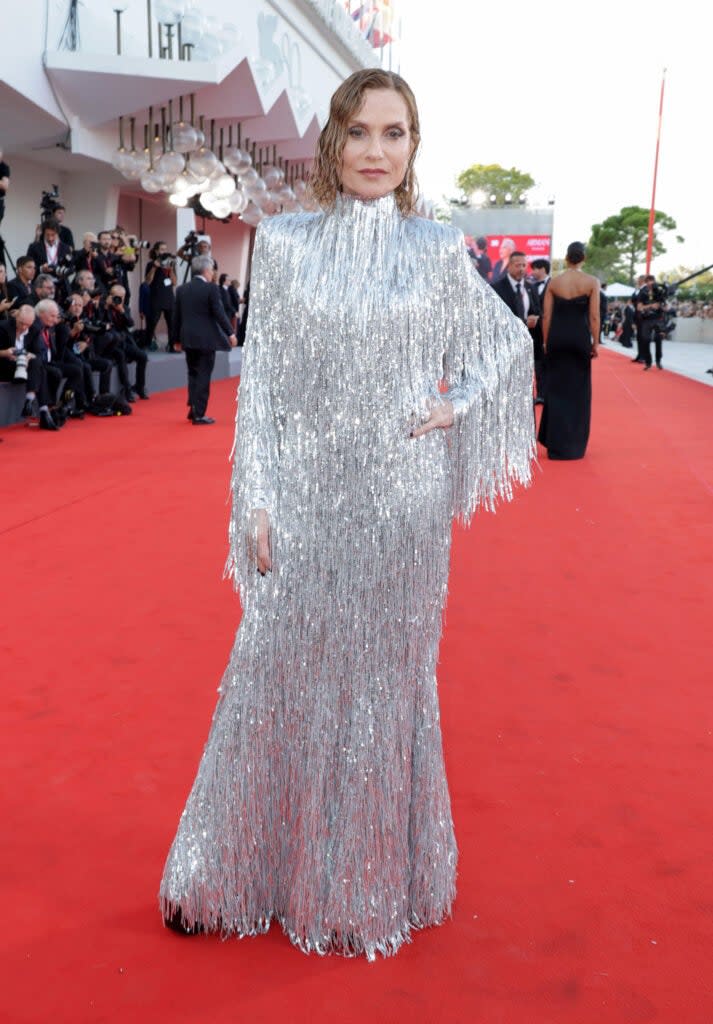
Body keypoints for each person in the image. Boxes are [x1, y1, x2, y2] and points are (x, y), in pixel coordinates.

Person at [158, 68, 535, 959]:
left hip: (404, 505)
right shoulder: (283, 245)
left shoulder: (438, 250)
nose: (375, 150)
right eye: (359, 132)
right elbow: (267, 391)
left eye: (394, 134)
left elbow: (507, 343)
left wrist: (457, 404)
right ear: (332, 143)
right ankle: (230, 872)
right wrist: (254, 495)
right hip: (306, 497)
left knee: (380, 690)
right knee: (271, 674)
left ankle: (360, 885)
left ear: (412, 147)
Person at [537, 241, 600, 460]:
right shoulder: (592, 282)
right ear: (583, 258)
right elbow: (594, 316)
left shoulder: (554, 282)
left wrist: (546, 342)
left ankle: (555, 445)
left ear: (566, 258)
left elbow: (546, 316)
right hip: (579, 339)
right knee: (579, 393)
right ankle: (574, 446)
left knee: (556, 390)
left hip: (557, 339)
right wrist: (595, 342)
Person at [172, 255, 237, 424]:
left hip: (188, 338)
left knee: (192, 373)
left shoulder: (181, 289)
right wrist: (230, 333)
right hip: (206, 339)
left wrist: (175, 339)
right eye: (212, 270)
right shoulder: (211, 289)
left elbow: (175, 317)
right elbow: (219, 313)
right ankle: (199, 413)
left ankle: (193, 408)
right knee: (203, 375)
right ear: (207, 270)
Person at [145, 242, 177, 351]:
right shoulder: (151, 264)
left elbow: (174, 282)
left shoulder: (170, 265)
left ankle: (172, 345)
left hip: (169, 297)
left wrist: (171, 269)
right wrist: (154, 267)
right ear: (156, 251)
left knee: (172, 323)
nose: (164, 251)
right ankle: (148, 343)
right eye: (162, 249)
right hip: (156, 298)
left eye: (165, 249)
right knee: (152, 322)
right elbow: (148, 281)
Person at [529, 258, 551, 403]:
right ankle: (537, 394)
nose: (532, 271)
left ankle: (546, 394)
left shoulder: (555, 284)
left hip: (549, 331)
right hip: (533, 332)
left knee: (548, 363)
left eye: (535, 268)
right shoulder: (530, 286)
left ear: (543, 269)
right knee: (536, 363)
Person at [637, 274, 666, 370]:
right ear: (646, 283)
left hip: (658, 318)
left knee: (659, 340)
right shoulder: (642, 292)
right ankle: (648, 362)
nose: (650, 284)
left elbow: (666, 306)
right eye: (648, 282)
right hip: (646, 319)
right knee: (645, 340)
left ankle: (658, 361)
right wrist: (650, 306)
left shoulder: (660, 291)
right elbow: (639, 307)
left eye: (652, 281)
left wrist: (661, 305)